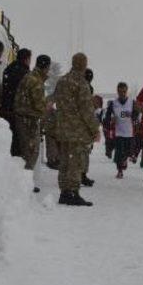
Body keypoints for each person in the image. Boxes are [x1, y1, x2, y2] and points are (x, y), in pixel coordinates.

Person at [54, 53, 100, 206]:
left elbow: (57, 103)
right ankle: (72, 192)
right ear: (83, 65)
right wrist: (95, 130)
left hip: (62, 128)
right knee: (76, 162)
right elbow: (87, 110)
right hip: (77, 131)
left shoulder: (62, 81)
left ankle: (64, 192)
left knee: (65, 161)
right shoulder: (80, 83)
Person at [13, 55, 52, 193]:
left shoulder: (29, 77)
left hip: (22, 118)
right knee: (31, 153)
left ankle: (25, 181)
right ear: (46, 67)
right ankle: (25, 184)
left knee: (27, 152)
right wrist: (47, 106)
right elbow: (39, 106)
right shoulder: (36, 81)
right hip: (28, 121)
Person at [105, 82, 139, 179]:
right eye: (120, 91)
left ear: (126, 91)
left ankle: (126, 159)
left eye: (124, 91)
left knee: (128, 151)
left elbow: (136, 115)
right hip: (118, 132)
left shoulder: (132, 102)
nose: (122, 93)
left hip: (129, 132)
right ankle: (119, 171)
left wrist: (131, 115)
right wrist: (111, 120)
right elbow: (107, 117)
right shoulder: (113, 103)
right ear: (117, 91)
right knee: (119, 152)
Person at [2, 48, 32, 156]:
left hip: (6, 109)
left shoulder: (8, 69)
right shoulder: (25, 74)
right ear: (26, 59)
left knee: (8, 141)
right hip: (18, 113)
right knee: (18, 144)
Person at [80, 68, 97, 187]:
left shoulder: (81, 87)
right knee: (83, 151)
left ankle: (81, 175)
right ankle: (81, 175)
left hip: (79, 124)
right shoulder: (86, 88)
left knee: (82, 151)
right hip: (83, 124)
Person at [43, 94, 60, 170]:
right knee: (52, 144)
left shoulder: (50, 98)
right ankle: (53, 161)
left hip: (52, 126)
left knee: (52, 144)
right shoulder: (55, 99)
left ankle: (54, 160)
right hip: (53, 126)